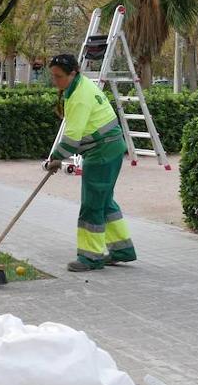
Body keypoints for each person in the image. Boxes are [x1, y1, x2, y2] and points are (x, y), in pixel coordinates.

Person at [43, 53, 137, 271]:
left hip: (102, 152)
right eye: (53, 76)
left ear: (72, 73)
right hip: (109, 148)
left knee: (92, 205)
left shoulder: (79, 96)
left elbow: (72, 136)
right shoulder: (78, 86)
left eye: (58, 77)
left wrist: (55, 158)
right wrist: (57, 157)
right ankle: (122, 250)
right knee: (104, 202)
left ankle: (90, 257)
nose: (55, 81)